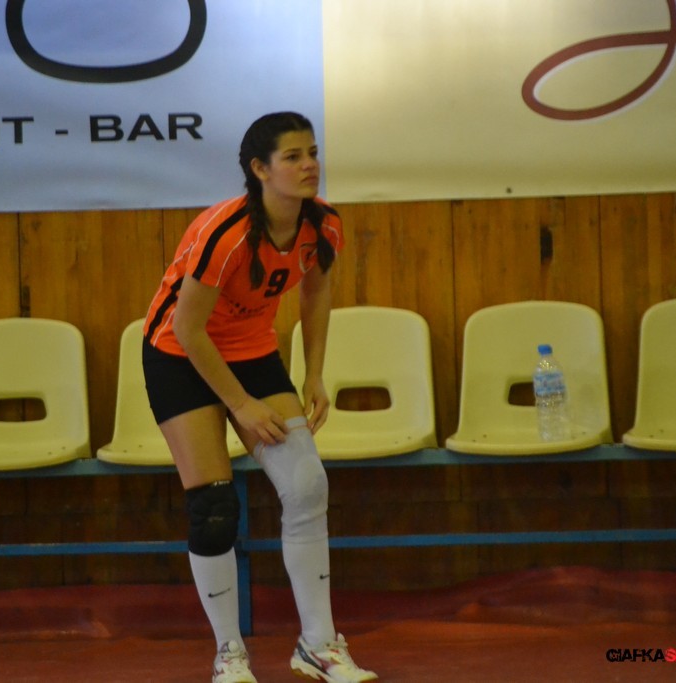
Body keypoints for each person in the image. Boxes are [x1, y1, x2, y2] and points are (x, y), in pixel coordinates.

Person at [141, 112, 378, 683]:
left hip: (251, 351)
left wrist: (314, 374)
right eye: (293, 156)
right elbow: (188, 329)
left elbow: (316, 293)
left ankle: (318, 645)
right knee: (215, 509)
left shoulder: (323, 224)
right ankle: (230, 653)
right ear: (260, 169)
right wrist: (241, 405)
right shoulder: (225, 233)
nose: (310, 165)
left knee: (306, 485)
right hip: (180, 356)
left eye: (312, 152)